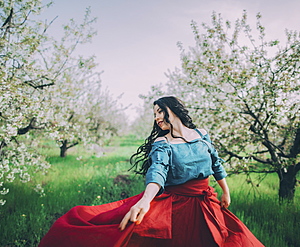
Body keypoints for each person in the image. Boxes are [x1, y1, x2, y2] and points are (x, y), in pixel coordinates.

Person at [38, 96, 265, 247]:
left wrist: (225, 191)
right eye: (154, 114)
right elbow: (157, 172)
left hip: (207, 202)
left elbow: (216, 163)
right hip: (178, 205)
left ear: (172, 110)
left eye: (159, 112)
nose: (156, 118)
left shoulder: (201, 134)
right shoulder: (162, 142)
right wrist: (145, 201)